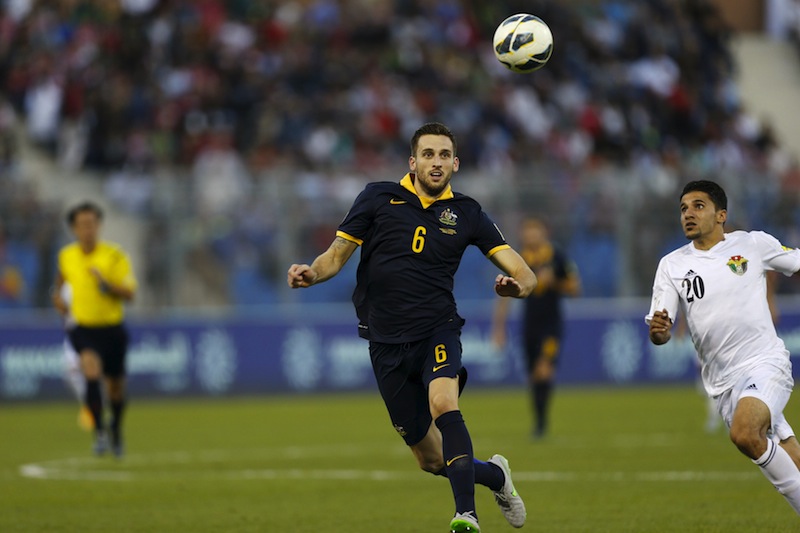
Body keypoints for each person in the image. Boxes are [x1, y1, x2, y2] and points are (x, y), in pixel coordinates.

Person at [288, 122, 536, 533]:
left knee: (444, 403)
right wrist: (311, 273)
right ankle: (496, 476)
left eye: (443, 155)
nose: (435, 163)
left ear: (455, 163)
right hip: (384, 342)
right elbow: (335, 256)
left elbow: (524, 272)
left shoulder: (468, 213)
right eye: (428, 154)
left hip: (437, 330)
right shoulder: (377, 198)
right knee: (431, 460)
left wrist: (518, 288)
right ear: (413, 161)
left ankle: (466, 515)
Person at [646, 180, 800, 515]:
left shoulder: (753, 244)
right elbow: (661, 329)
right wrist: (659, 332)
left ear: (721, 215)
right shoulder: (671, 265)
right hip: (722, 382)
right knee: (788, 453)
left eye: (698, 206)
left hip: (765, 362)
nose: (689, 213)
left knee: (745, 433)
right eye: (684, 208)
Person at [52, 202, 137, 458]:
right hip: (84, 328)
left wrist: (107, 284)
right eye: (82, 225)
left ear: (99, 226)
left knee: (115, 388)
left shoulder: (114, 255)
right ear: (73, 228)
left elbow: (130, 293)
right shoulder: (66, 256)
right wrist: (57, 298)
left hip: (112, 329)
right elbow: (59, 283)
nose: (88, 229)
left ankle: (116, 431)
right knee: (90, 370)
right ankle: (99, 432)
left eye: (92, 224)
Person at [491, 217, 580, 439]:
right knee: (533, 376)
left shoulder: (556, 256)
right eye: (527, 231)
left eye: (535, 231)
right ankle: (538, 422)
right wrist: (499, 329)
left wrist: (555, 283)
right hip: (529, 325)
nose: (531, 236)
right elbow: (503, 298)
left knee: (544, 370)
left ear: (544, 233)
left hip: (551, 325)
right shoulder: (519, 261)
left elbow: (575, 289)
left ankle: (541, 425)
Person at [59, 281, 95, 431]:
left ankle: (93, 408)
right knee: (69, 371)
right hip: (73, 334)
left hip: (92, 333)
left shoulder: (91, 284)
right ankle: (89, 404)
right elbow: (62, 310)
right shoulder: (66, 287)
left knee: (94, 373)